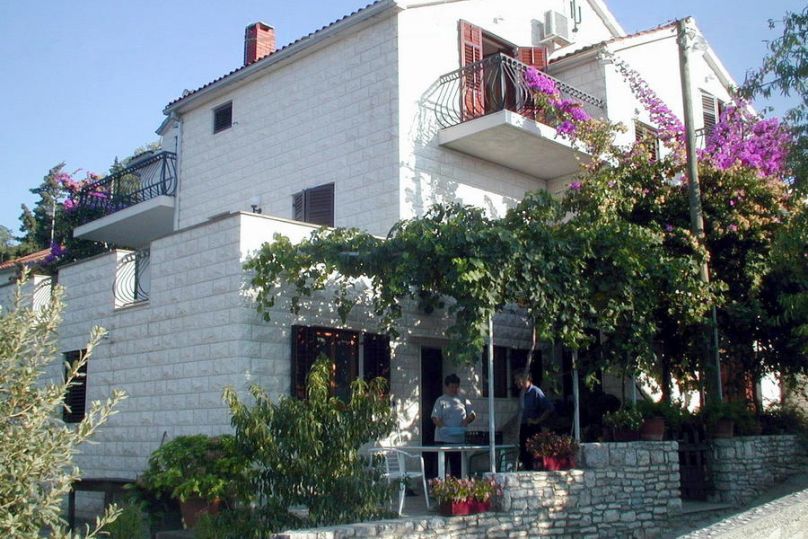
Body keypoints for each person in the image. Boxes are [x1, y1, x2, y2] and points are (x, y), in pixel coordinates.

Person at [431, 374, 476, 477]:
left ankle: (457, 485)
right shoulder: (441, 400)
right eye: (452, 387)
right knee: (439, 469)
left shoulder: (463, 399)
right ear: (446, 387)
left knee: (458, 470)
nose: (454, 389)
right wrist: (443, 427)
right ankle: (437, 485)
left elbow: (472, 414)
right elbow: (434, 417)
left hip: (458, 440)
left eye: (456, 387)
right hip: (442, 439)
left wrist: (466, 421)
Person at [514, 372, 554, 470]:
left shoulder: (535, 391)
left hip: (532, 427)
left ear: (525, 379)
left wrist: (537, 420)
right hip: (523, 426)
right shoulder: (522, 393)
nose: (515, 382)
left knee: (532, 453)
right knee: (524, 453)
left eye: (517, 379)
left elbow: (549, 408)